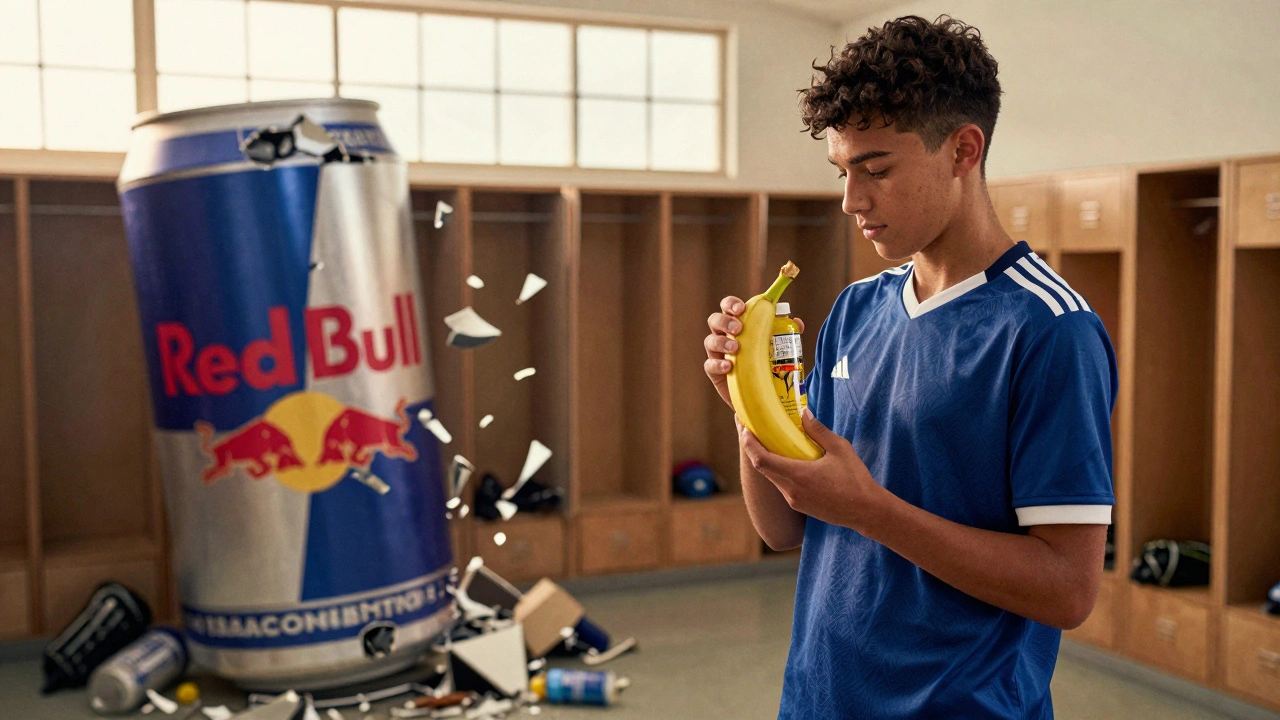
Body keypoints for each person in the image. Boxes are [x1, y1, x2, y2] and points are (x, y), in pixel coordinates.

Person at [703, 15, 1117, 719]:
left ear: (963, 149)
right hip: (817, 699)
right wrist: (743, 400)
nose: (851, 201)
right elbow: (786, 527)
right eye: (842, 172)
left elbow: (1067, 591)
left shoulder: (1051, 329)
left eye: (877, 169)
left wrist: (872, 511)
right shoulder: (855, 310)